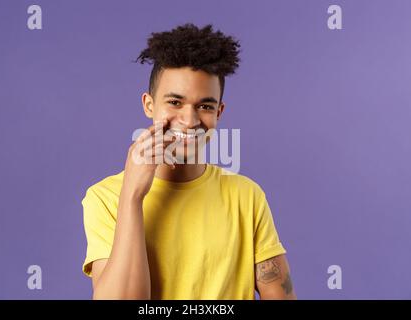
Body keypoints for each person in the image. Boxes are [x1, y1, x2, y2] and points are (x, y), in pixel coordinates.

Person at [81, 23, 296, 300]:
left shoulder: (247, 196)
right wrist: (132, 197)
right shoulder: (106, 198)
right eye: (175, 102)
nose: (190, 120)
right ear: (149, 105)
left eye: (205, 106)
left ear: (219, 112)